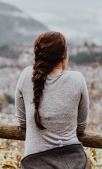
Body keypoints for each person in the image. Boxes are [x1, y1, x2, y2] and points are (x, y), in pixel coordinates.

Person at [15, 31, 90, 169]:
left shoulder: (26, 76)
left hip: (34, 163)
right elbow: (81, 125)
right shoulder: (77, 79)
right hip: (73, 162)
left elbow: (22, 121)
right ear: (63, 56)